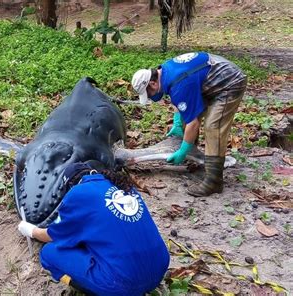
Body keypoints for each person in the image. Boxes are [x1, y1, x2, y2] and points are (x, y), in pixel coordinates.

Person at [18, 162, 170, 296]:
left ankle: (97, 289)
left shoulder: (78, 193)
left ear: (71, 184)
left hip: (122, 284)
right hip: (159, 270)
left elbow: (53, 235)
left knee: (49, 253)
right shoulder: (124, 186)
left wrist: (31, 230)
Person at [131, 52, 247, 197]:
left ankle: (214, 181)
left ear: (153, 83)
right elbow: (179, 98)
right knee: (187, 118)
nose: (150, 97)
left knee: (213, 127)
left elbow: (193, 122)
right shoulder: (165, 72)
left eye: (149, 93)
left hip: (229, 81)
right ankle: (195, 155)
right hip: (210, 78)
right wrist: (178, 122)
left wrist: (182, 151)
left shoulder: (179, 84)